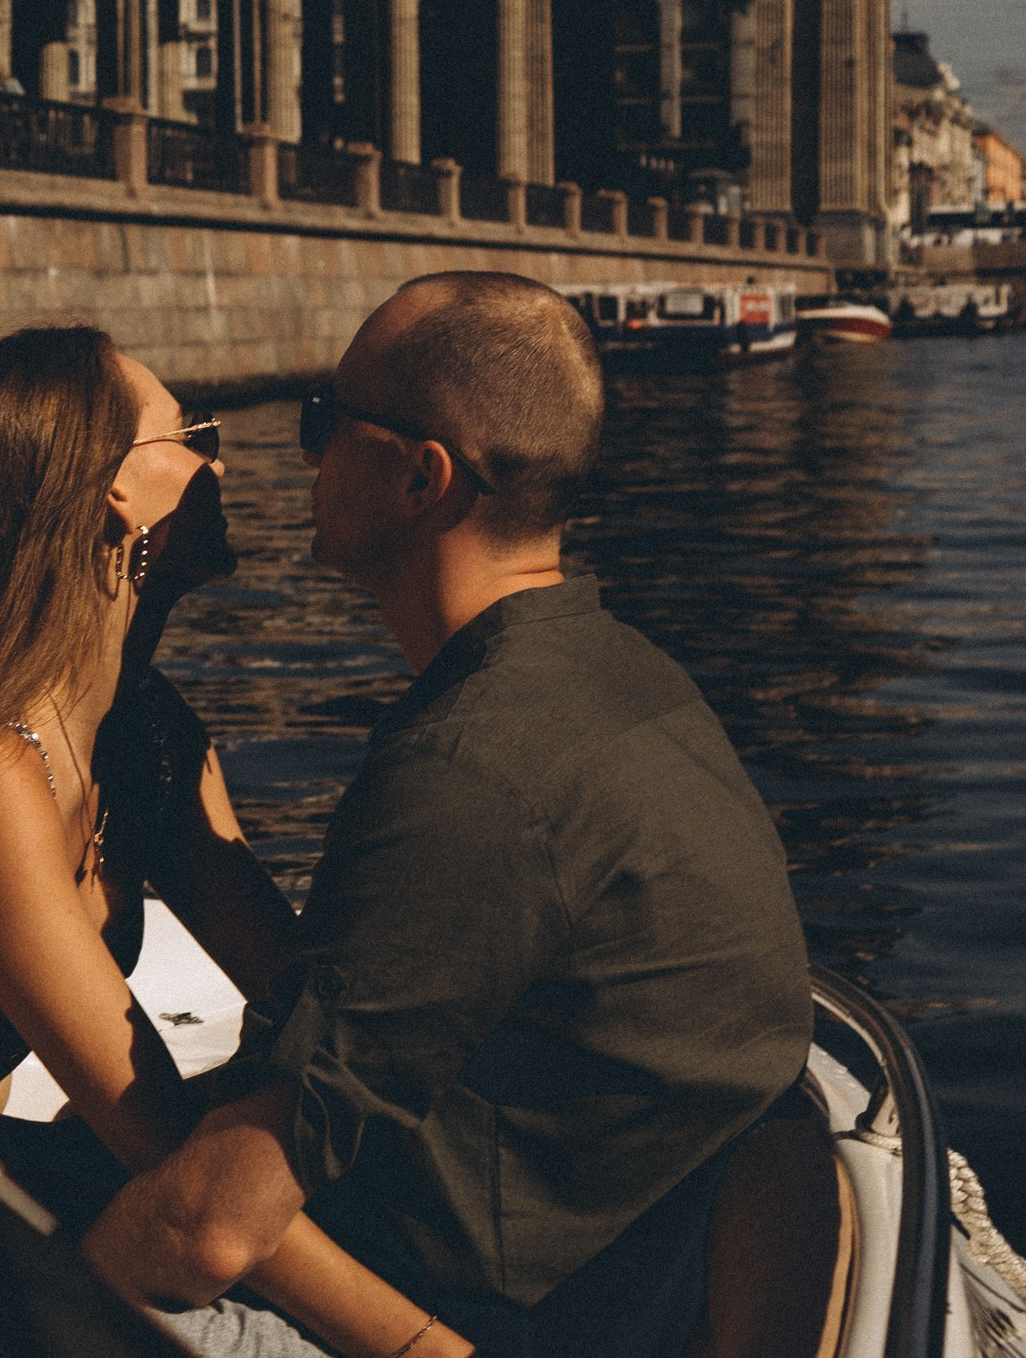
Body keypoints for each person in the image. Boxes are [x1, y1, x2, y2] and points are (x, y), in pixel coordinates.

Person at [83, 273, 813, 1358]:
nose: (302, 454)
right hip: (636, 1249)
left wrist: (31, 1285)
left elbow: (206, 1232)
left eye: (325, 424)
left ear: (421, 478)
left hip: (517, 1312)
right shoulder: (623, 671)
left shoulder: (472, 766)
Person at [0, 325, 474, 1358]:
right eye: (191, 435)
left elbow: (303, 1006)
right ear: (115, 492)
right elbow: (171, 1163)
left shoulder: (147, 735)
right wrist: (427, 1348)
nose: (219, 462)